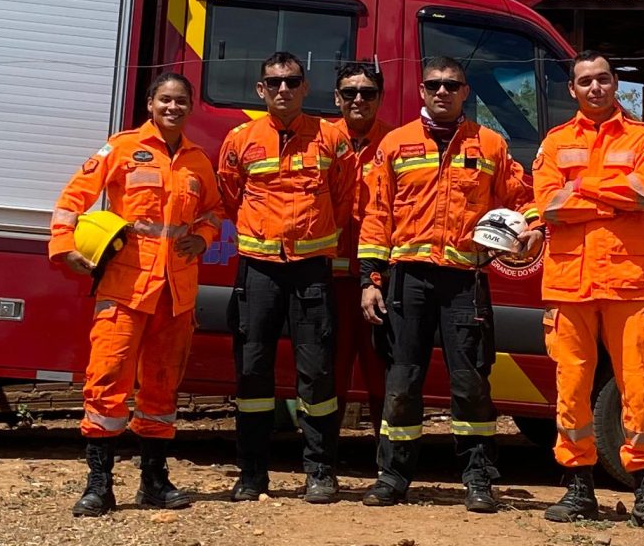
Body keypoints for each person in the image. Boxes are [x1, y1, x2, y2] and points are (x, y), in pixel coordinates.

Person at [356, 53, 531, 510]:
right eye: (434, 84)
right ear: (420, 90)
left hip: (463, 283)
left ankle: (478, 479)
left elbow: (523, 199)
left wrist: (529, 232)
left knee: (471, 382)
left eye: (451, 85)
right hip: (407, 278)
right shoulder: (395, 144)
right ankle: (393, 476)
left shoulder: (490, 145)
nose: (442, 92)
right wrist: (370, 280)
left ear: (465, 92)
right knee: (402, 380)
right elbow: (377, 215)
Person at [49, 71, 222, 517]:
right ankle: (99, 486)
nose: (172, 107)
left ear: (190, 107)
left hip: (175, 291)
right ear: (150, 103)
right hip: (126, 287)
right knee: (106, 382)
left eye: (181, 101)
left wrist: (202, 238)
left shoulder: (199, 160)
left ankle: (154, 482)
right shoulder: (123, 147)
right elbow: (74, 196)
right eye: (165, 99)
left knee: (162, 390)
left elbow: (213, 212)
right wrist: (63, 245)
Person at [531, 52, 644, 533]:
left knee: (640, 386)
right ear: (572, 90)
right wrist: (609, 197)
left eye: (603, 79)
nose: (595, 88)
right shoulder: (555, 141)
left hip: (629, 282)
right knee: (570, 388)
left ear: (616, 84)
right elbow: (548, 205)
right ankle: (578, 490)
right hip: (569, 284)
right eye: (584, 82)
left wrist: (581, 188)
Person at [216, 51, 354, 503]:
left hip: (311, 272)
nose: (282, 89)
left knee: (316, 375)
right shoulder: (240, 139)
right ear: (260, 89)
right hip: (258, 270)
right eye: (273, 82)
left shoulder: (331, 138)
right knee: (253, 372)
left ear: (305, 88)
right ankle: (253, 474)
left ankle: (320, 472)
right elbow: (231, 196)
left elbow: (344, 197)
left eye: (292, 81)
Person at [329, 59, 389, 432]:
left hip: (379, 280)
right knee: (328, 370)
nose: (358, 99)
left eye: (367, 93)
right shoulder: (320, 139)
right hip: (328, 280)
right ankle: (322, 463)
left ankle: (387, 466)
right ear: (337, 97)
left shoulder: (396, 143)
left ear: (379, 98)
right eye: (350, 92)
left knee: (382, 369)